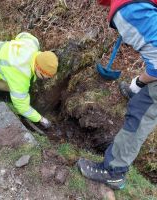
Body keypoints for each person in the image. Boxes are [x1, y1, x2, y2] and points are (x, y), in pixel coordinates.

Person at [78, 0, 157, 190]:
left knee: (139, 115)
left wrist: (139, 81)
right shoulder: (133, 9)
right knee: (141, 101)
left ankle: (114, 172)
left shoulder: (131, 11)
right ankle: (136, 93)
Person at [0, 32, 58, 129]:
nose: (45, 79)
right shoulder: (21, 74)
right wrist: (40, 119)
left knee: (12, 86)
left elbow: (24, 35)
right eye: (44, 76)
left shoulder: (32, 44)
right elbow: (22, 107)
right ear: (38, 68)